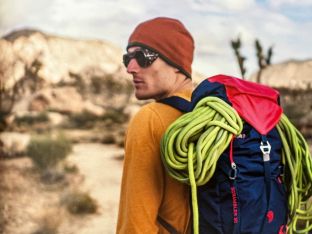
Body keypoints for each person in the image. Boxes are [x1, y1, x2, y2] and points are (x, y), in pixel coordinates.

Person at [116, 17, 195, 233]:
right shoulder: (213, 114)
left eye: (143, 57)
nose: (131, 68)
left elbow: (135, 226)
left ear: (177, 64)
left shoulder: (149, 120)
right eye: (128, 58)